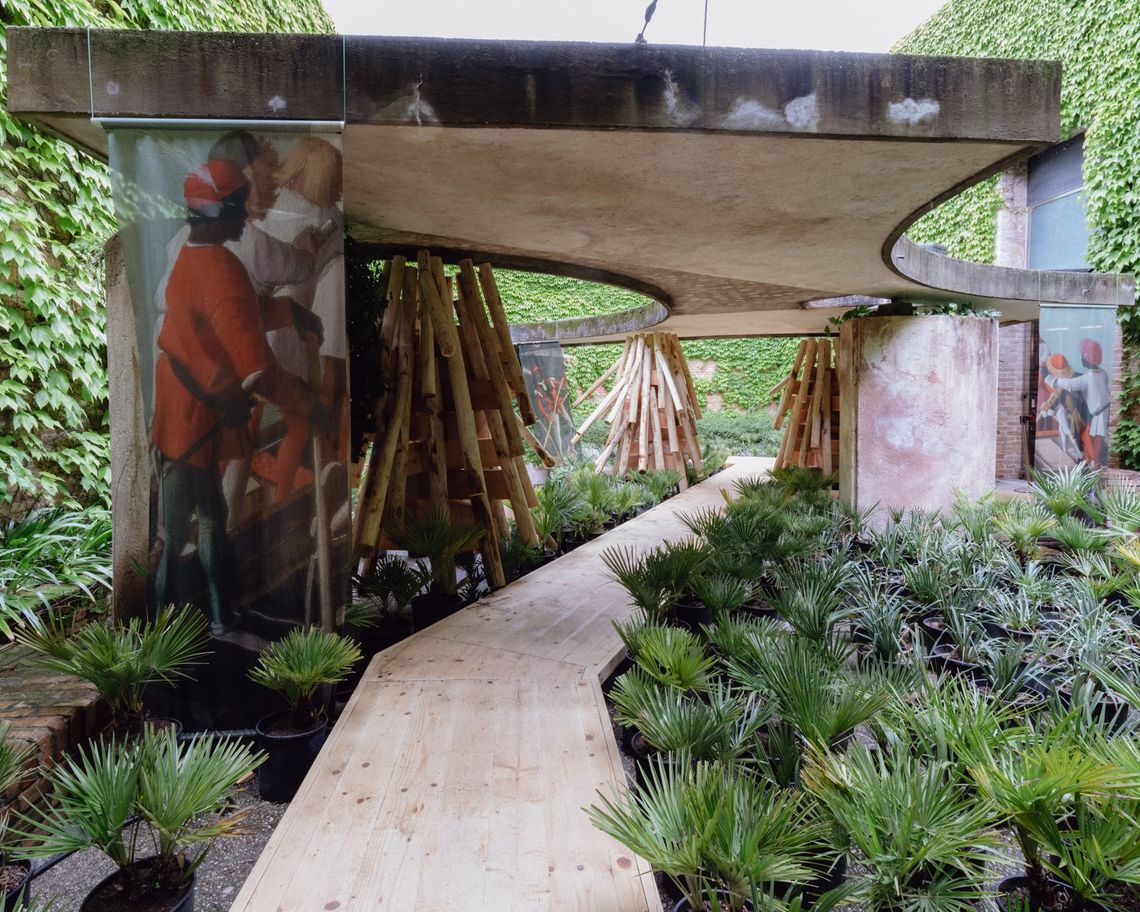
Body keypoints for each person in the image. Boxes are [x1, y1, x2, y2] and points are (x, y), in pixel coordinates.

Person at [151, 159, 327, 635]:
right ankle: (163, 634)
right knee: (178, 529)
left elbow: (237, 315)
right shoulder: (220, 270)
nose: (247, 218)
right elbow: (258, 372)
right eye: (239, 209)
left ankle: (220, 616)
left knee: (211, 516)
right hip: (188, 418)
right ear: (221, 215)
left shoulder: (196, 254)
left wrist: (289, 311)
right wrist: (308, 404)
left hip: (193, 407)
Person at [1046, 338, 1111, 466]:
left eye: (1083, 355)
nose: (1081, 359)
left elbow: (1071, 385)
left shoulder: (1088, 377)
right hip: (1102, 411)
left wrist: (1053, 381)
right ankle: (1093, 462)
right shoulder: (1102, 373)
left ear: (1088, 357)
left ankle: (1095, 465)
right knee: (1093, 437)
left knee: (1095, 439)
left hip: (1099, 413)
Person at [1038, 352, 1086, 463]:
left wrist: (1047, 408)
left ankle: (1078, 454)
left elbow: (1056, 397)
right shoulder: (1074, 375)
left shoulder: (1064, 381)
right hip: (1067, 410)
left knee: (1068, 431)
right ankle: (1065, 451)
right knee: (1063, 431)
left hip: (1074, 411)